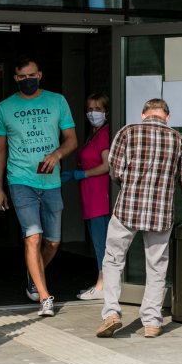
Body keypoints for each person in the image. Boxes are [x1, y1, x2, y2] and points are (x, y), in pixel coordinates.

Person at [95, 98, 182, 339]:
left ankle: (111, 313)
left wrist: (130, 185)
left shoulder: (127, 132)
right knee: (157, 266)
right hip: (160, 213)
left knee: (113, 261)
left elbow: (116, 171)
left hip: (127, 210)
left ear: (143, 114)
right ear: (167, 117)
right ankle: (151, 321)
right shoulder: (179, 139)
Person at [0, 56, 78, 317]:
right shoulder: (4, 108)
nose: (26, 80)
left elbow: (71, 139)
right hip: (20, 180)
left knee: (52, 242)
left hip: (51, 182)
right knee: (33, 236)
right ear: (15, 78)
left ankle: (33, 275)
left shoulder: (57, 101)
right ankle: (44, 296)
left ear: (39, 75)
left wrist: (57, 155)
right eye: (21, 77)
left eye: (31, 75)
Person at [61, 93, 111, 301]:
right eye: (90, 109)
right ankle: (101, 283)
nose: (93, 113)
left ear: (106, 112)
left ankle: (102, 286)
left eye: (98, 109)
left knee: (102, 242)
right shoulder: (94, 134)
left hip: (100, 197)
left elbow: (107, 165)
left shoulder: (105, 134)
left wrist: (82, 174)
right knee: (97, 240)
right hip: (90, 197)